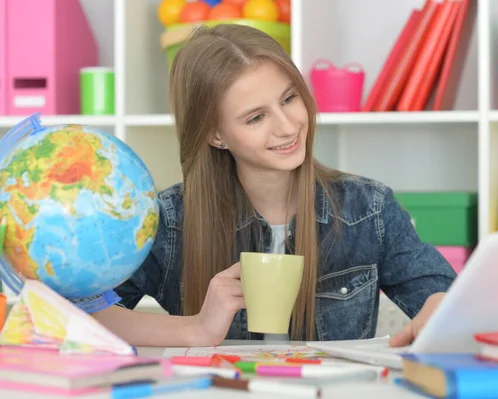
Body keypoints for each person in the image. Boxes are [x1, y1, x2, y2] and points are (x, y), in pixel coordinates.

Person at [72, 24, 457, 348]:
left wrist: (441, 307)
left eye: (289, 99)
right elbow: (79, 315)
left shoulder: (369, 209)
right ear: (215, 134)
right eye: (256, 117)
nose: (287, 127)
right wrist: (196, 328)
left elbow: (445, 297)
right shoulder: (170, 220)